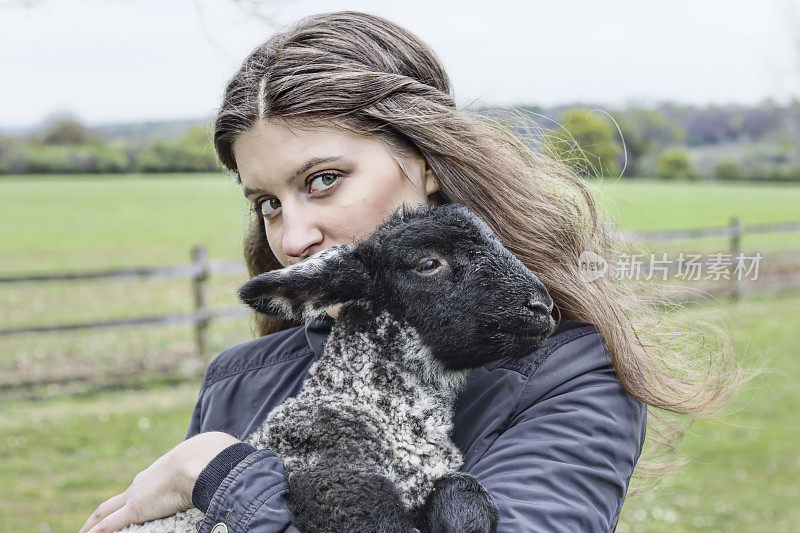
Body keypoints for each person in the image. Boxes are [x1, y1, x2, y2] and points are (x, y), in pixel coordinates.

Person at [80, 10, 743, 533]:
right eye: (268, 203)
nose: (293, 235)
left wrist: (219, 470)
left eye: (324, 179)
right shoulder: (240, 380)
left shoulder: (568, 379)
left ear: (424, 162)